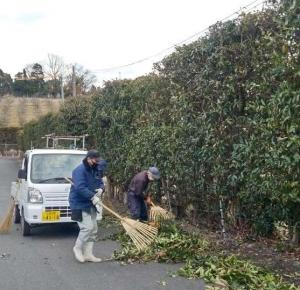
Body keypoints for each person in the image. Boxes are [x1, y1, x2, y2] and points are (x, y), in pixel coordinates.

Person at [69, 149, 107, 263]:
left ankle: (88, 254)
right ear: (89, 159)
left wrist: (101, 189)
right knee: (87, 227)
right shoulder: (79, 171)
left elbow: (100, 181)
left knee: (94, 229)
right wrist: (92, 196)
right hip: (79, 203)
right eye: (95, 160)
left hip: (91, 202)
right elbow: (80, 188)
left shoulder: (95, 169)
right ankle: (77, 248)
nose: (97, 162)